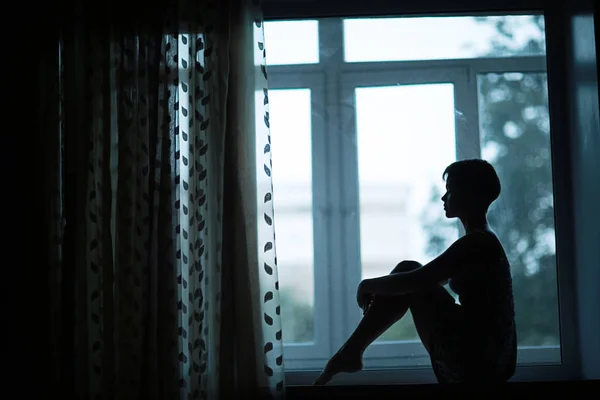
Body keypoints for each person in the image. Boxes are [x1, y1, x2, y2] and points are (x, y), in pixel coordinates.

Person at [313, 159, 517, 385]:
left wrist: (366, 285)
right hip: (494, 358)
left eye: (450, 190)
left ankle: (350, 352)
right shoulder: (482, 240)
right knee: (410, 275)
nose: (443, 198)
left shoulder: (476, 243)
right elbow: (432, 279)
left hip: (478, 360)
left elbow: (414, 280)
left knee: (409, 270)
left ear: (470, 195)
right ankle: (350, 352)